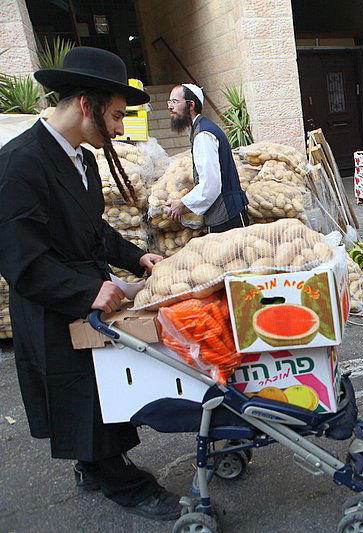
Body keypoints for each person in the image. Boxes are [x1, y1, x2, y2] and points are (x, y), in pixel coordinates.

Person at [0, 47, 181, 519]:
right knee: (80, 395)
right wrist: (85, 292)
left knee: (97, 394)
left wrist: (136, 257)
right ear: (86, 104)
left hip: (84, 292)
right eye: (117, 115)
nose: (121, 127)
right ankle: (123, 483)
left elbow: (94, 228)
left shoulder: (80, 158)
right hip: (51, 304)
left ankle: (93, 465)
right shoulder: (20, 163)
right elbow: (20, 258)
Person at [165, 84, 249, 232]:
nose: (170, 107)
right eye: (169, 102)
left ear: (190, 105)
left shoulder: (203, 135)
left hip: (228, 217)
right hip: (222, 215)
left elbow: (211, 185)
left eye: (175, 102)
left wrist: (183, 203)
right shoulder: (198, 130)